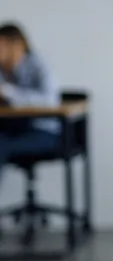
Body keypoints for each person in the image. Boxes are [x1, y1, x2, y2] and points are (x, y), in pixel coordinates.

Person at [0, 23, 61, 187]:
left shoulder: (38, 65)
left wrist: (9, 92)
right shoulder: (2, 70)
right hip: (14, 129)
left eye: (2, 46)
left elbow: (50, 101)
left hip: (42, 131)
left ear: (18, 44)